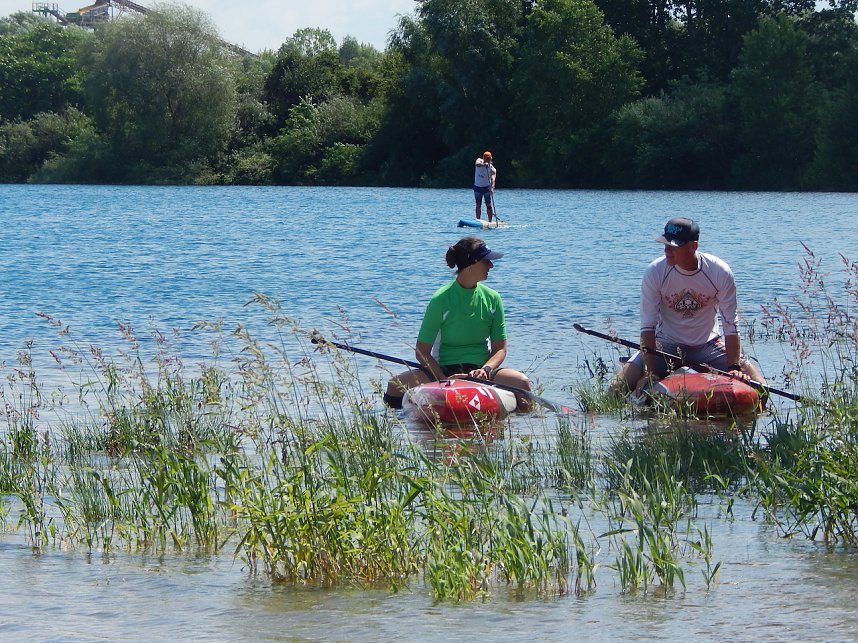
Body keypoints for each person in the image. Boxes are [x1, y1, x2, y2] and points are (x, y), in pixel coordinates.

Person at [610, 217, 767, 397]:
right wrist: (649, 372)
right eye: (665, 243)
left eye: (673, 245)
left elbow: (731, 324)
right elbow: (647, 326)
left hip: (708, 346)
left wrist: (734, 367)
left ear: (693, 246)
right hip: (665, 345)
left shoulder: (719, 272)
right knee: (614, 390)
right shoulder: (655, 272)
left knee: (762, 388)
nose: (666, 250)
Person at [384, 236, 532, 410]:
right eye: (486, 261)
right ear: (472, 263)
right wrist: (443, 380)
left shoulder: (493, 298)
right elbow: (422, 352)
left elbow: (500, 349)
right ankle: (401, 422)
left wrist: (485, 369)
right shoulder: (441, 299)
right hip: (444, 370)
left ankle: (524, 422)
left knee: (522, 382)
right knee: (394, 386)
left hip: (481, 372)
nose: (491, 266)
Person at [473, 151, 496, 222]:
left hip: (486, 188)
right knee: (478, 204)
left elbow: (493, 179)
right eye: (487, 158)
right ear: (484, 158)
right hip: (477, 187)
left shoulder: (492, 168)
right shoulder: (479, 160)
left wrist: (492, 187)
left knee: (488, 205)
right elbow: (477, 164)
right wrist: (483, 164)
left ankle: (490, 221)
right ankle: (478, 220)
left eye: (489, 159)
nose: (488, 160)